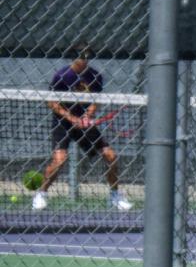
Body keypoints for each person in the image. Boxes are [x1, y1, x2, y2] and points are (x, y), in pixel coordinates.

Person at [34, 44, 131, 212]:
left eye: (86, 57)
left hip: (84, 124)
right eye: (80, 57)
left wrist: (87, 116)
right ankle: (41, 194)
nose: (84, 60)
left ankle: (115, 195)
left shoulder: (95, 76)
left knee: (110, 155)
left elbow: (96, 100)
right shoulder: (62, 76)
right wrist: (72, 118)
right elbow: (51, 102)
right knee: (60, 160)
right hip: (62, 123)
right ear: (74, 58)